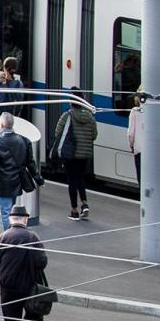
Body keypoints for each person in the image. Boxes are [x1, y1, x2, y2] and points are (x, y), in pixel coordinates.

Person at [0, 112, 37, 231]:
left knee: (5, 212)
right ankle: (12, 233)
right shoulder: (24, 141)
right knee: (10, 209)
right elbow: (30, 163)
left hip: (1, 183)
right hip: (17, 182)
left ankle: (9, 236)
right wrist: (39, 180)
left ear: (1, 125)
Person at [54, 87, 97, 221]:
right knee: (80, 178)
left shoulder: (67, 116)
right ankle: (84, 204)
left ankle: (74, 210)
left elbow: (58, 133)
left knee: (72, 180)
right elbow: (94, 135)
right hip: (85, 154)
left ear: (71, 102)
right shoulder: (90, 117)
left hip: (71, 154)